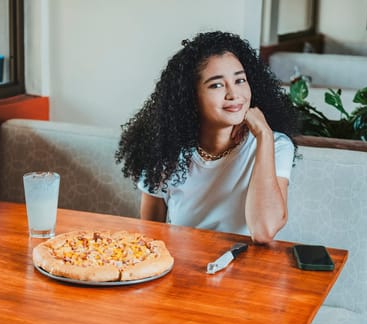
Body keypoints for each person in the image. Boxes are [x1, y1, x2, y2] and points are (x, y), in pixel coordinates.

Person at [115, 31, 299, 243]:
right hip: (181, 270)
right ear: (190, 96)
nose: (234, 94)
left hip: (245, 272)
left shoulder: (275, 145)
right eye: (217, 85)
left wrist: (264, 135)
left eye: (240, 80)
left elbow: (263, 231)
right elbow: (150, 235)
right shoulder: (166, 148)